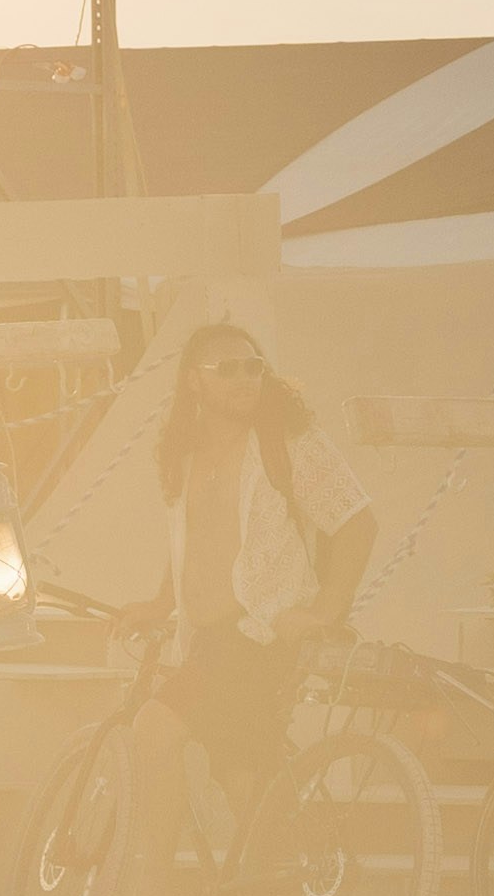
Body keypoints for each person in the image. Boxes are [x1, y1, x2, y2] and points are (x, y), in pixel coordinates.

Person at [155, 322, 372, 819]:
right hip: (206, 642)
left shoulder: (286, 443)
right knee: (245, 784)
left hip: (255, 639)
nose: (243, 378)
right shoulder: (183, 455)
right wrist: (160, 602)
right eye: (225, 369)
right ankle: (270, 889)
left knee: (154, 732)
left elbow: (358, 523)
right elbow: (190, 540)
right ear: (194, 380)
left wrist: (324, 613)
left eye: (252, 366)